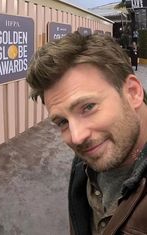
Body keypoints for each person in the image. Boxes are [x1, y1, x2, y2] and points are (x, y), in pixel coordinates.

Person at [26, 32, 147, 235]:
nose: (76, 137)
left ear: (133, 92)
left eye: (88, 107)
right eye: (63, 122)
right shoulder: (87, 159)